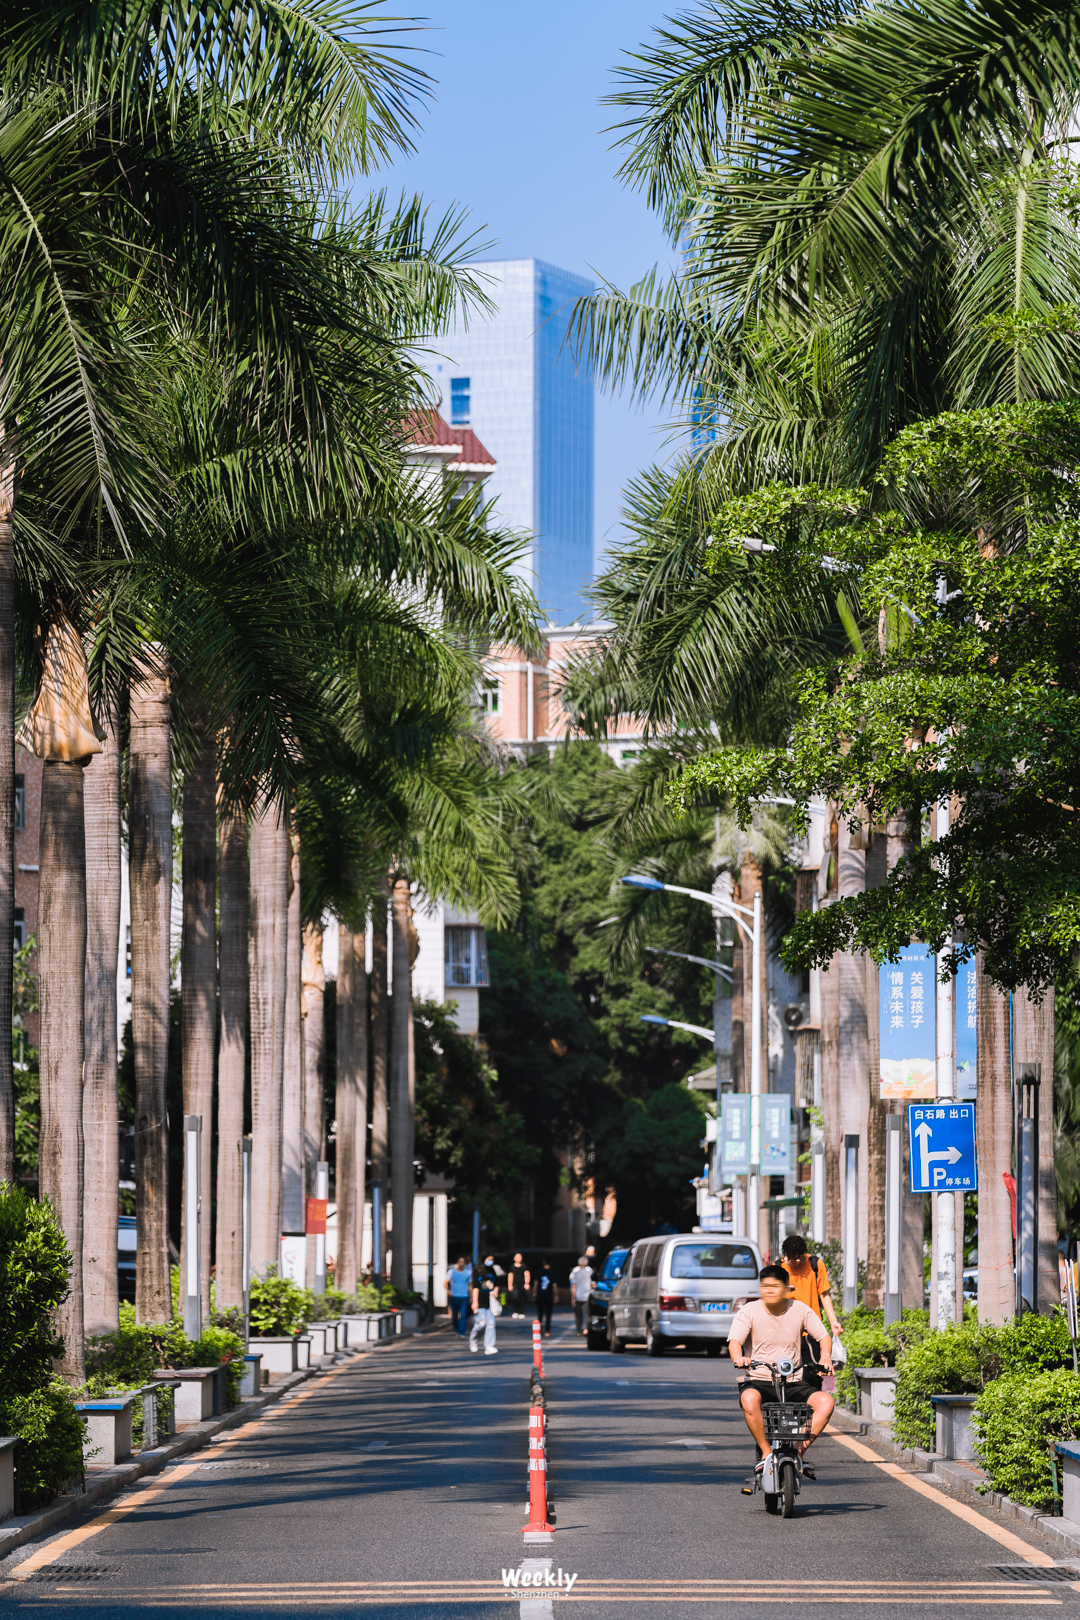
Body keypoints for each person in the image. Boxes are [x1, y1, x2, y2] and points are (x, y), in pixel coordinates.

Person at [728, 1262, 834, 1493]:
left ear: (787, 1288)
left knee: (826, 1402)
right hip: (759, 1379)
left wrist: (825, 1356)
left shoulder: (801, 1309)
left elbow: (824, 1337)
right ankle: (765, 1454)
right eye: (765, 1286)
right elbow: (735, 1341)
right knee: (749, 1400)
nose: (769, 1291)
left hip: (793, 1381)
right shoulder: (749, 1311)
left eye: (775, 1286)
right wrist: (740, 1358)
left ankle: (798, 1453)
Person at [780, 1234, 843, 1357]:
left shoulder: (815, 1265)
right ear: (785, 1254)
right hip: (785, 1330)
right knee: (785, 1372)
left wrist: (833, 1321)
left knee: (811, 1372)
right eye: (792, 1258)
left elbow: (824, 1294)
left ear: (804, 1253)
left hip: (811, 1329)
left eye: (799, 1257)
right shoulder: (778, 1268)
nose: (796, 1261)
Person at [470, 1257, 499, 1355]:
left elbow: (496, 1284)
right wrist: (475, 1302)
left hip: (490, 1301)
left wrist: (496, 1290)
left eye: (492, 1259)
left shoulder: (492, 1270)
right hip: (480, 1301)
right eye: (489, 1259)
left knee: (491, 1323)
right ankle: (473, 1340)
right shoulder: (477, 1271)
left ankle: (489, 1346)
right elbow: (475, 1287)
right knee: (480, 1324)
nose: (491, 1261)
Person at [446, 1256, 471, 1337]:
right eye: (460, 1261)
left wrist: (472, 1296)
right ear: (457, 1263)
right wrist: (448, 1291)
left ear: (465, 1263)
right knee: (455, 1315)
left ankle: (462, 1332)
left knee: (463, 1315)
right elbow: (445, 1282)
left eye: (463, 1262)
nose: (461, 1263)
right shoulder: (451, 1271)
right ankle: (456, 1329)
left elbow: (470, 1285)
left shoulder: (468, 1272)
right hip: (454, 1296)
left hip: (464, 1296)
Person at [569, 1255, 593, 1335]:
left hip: (578, 1296)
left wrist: (573, 1298)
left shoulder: (576, 1273)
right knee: (586, 1313)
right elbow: (592, 1284)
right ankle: (585, 1328)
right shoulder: (589, 1272)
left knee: (578, 1314)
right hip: (586, 1296)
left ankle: (578, 1331)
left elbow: (574, 1286)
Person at [534, 1260, 556, 1336]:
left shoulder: (539, 1272)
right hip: (549, 1295)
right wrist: (556, 1295)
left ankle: (539, 1328)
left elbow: (536, 1283)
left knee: (540, 1313)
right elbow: (554, 1285)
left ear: (543, 1262)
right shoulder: (552, 1273)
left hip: (540, 1294)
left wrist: (534, 1293)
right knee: (548, 1314)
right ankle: (547, 1331)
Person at [508, 1253, 531, 1318]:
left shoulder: (524, 1266)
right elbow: (510, 1275)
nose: (519, 1258)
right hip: (515, 1284)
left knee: (522, 1298)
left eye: (520, 1257)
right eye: (517, 1257)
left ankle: (521, 1311)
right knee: (515, 1298)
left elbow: (527, 1274)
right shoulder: (512, 1266)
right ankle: (515, 1311)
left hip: (522, 1285)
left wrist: (527, 1283)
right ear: (514, 1258)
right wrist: (510, 1285)